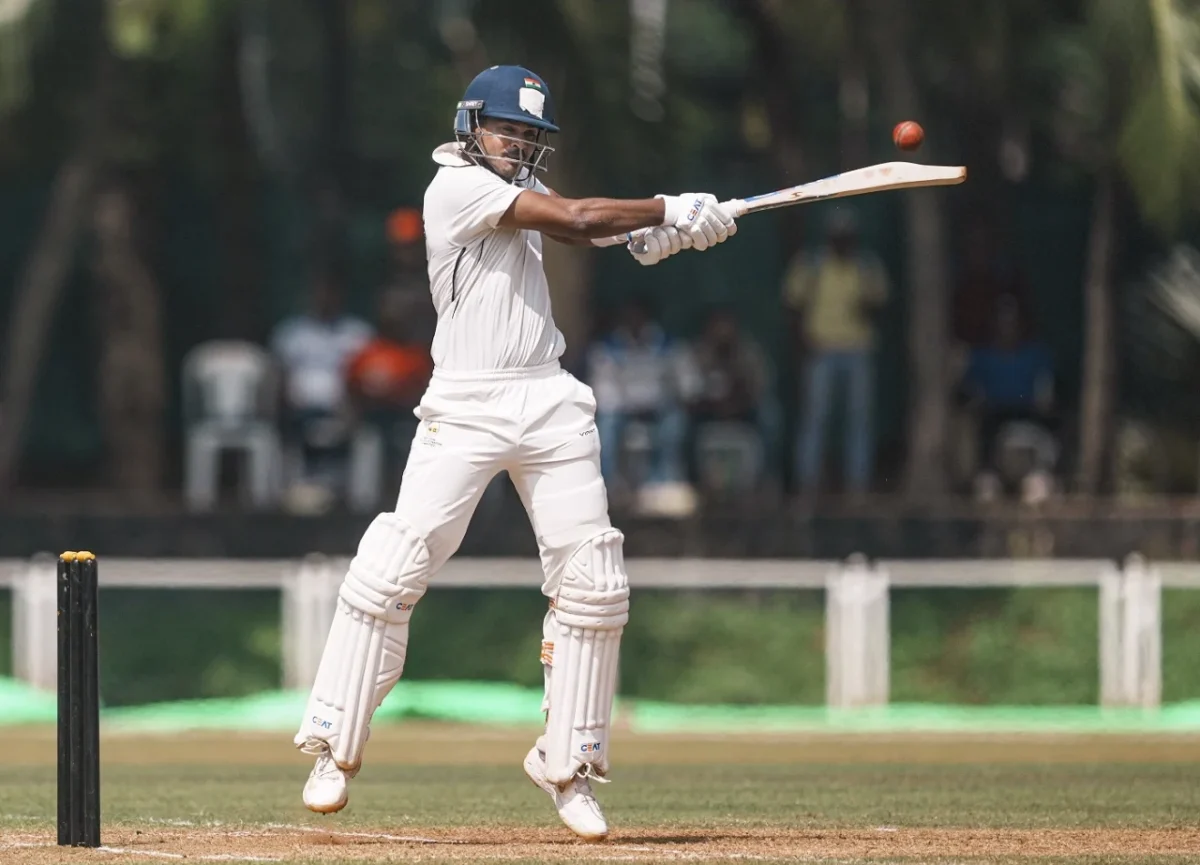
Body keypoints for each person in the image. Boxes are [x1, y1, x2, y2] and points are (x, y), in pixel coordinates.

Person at [292, 64, 737, 841]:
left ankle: (569, 764)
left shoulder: (517, 191)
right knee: (393, 568)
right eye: (508, 131)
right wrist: (668, 207)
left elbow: (578, 224)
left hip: (548, 398)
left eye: (531, 136)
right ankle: (332, 744)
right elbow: (575, 215)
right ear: (471, 127)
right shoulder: (454, 187)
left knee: (594, 581)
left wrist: (646, 236)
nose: (520, 145)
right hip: (466, 404)